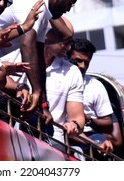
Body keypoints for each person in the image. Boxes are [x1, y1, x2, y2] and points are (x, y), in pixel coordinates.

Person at [0, 0, 86, 123]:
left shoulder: (43, 10)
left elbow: (39, 59)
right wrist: (36, 91)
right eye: (70, 3)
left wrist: (43, 103)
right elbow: (27, 45)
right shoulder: (35, 3)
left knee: (35, 113)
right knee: (22, 108)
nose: (68, 9)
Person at [67, 38, 117, 158]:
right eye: (78, 61)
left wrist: (87, 118)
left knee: (103, 147)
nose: (83, 66)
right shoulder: (56, 76)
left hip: (88, 134)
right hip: (60, 127)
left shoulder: (96, 86)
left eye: (86, 62)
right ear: (67, 56)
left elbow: (108, 123)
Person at [43, 19, 85, 151]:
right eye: (64, 42)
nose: (69, 48)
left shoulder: (72, 71)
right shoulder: (18, 55)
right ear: (47, 37)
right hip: (18, 129)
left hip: (53, 138)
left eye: (70, 43)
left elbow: (77, 117)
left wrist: (74, 125)